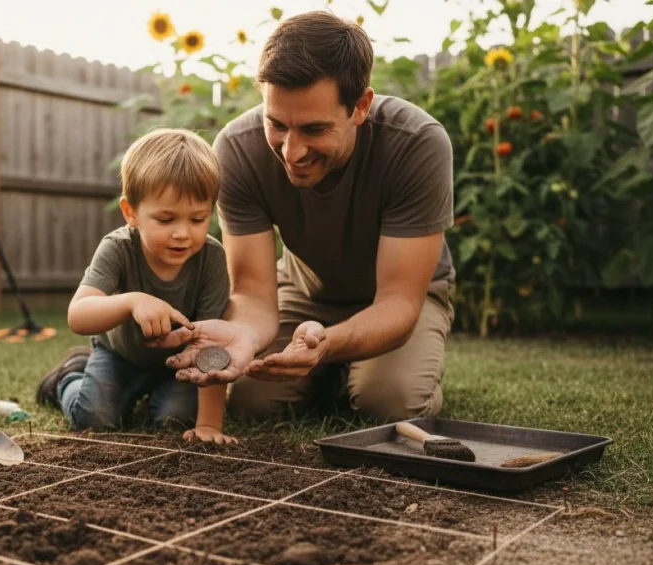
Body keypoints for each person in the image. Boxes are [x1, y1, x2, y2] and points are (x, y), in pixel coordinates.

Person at [150, 10, 456, 421]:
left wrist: (326, 344)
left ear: (361, 106)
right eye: (276, 123)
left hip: (400, 299)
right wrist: (243, 336)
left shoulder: (416, 144)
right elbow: (255, 293)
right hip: (305, 292)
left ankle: (351, 367)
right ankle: (334, 372)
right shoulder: (238, 150)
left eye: (314, 129)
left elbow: (399, 302)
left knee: (389, 403)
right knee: (249, 400)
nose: (291, 152)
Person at [35, 128, 237, 444]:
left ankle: (157, 394)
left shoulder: (212, 259)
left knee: (175, 421)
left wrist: (210, 424)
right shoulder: (117, 248)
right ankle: (68, 378)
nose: (183, 233)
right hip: (119, 356)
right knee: (95, 419)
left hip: (179, 362)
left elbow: (212, 346)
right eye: (166, 220)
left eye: (197, 219)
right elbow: (78, 315)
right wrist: (132, 301)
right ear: (131, 212)